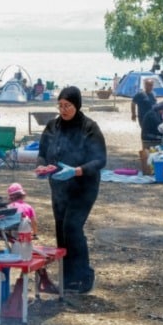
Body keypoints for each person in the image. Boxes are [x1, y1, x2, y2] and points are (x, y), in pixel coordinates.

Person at [35, 87, 107, 295]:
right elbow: (42, 152)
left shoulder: (89, 127)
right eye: (60, 105)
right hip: (59, 186)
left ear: (77, 105)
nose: (64, 110)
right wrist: (41, 166)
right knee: (60, 229)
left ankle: (83, 277)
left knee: (72, 227)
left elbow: (100, 160)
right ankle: (67, 279)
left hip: (84, 186)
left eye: (68, 106)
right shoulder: (52, 126)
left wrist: (77, 171)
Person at [6, 183, 57, 294]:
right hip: (24, 242)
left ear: (10, 197)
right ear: (23, 195)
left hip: (13, 242)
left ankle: (41, 281)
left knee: (30, 254)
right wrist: (35, 233)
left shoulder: (9, 208)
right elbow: (34, 222)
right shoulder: (28, 207)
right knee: (35, 255)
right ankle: (42, 280)